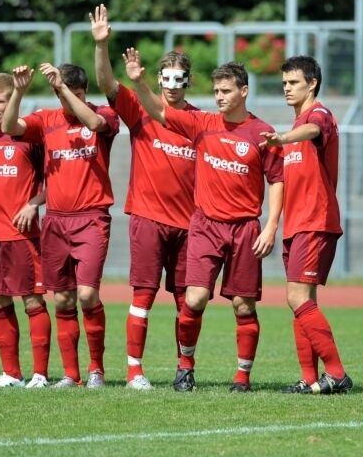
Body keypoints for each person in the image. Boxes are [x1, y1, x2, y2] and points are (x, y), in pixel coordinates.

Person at [128, 54, 284, 393]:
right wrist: (139, 81)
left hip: (245, 229)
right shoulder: (203, 123)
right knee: (194, 299)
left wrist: (271, 226)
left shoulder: (262, 133)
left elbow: (277, 179)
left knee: (243, 305)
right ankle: (185, 367)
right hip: (205, 226)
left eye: (226, 91)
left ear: (244, 91)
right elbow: (158, 112)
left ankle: (242, 376)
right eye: (216, 91)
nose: (219, 97)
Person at [90, 5, 195, 390]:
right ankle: (135, 371)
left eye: (179, 78)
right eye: (165, 78)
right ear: (158, 80)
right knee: (143, 295)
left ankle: (185, 369)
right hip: (148, 218)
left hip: (190, 225)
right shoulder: (140, 112)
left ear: (188, 82)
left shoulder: (199, 121)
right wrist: (101, 46)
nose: (171, 84)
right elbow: (107, 85)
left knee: (188, 301)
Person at [1, 62, 120, 389]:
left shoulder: (106, 114)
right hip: (56, 220)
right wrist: (19, 91)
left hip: (92, 217)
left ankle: (96, 368)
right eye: (62, 95)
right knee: (63, 300)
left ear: (83, 92)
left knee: (86, 294)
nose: (68, 103)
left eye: (75, 94)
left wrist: (64, 90)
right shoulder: (46, 119)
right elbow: (10, 125)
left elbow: (94, 122)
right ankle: (71, 374)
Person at [260, 55, 351, 395]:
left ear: (311, 83)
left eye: (294, 82)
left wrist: (284, 138)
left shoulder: (318, 115)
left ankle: (337, 373)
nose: (287, 88)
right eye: (284, 83)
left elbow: (315, 130)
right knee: (302, 300)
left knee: (296, 297)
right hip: (296, 224)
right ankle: (310, 380)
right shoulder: (297, 125)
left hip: (315, 220)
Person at [0, 73, 50, 389]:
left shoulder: (30, 136)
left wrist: (34, 204)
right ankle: (11, 373)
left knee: (31, 301)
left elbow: (52, 181)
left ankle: (41, 375)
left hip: (21, 234)